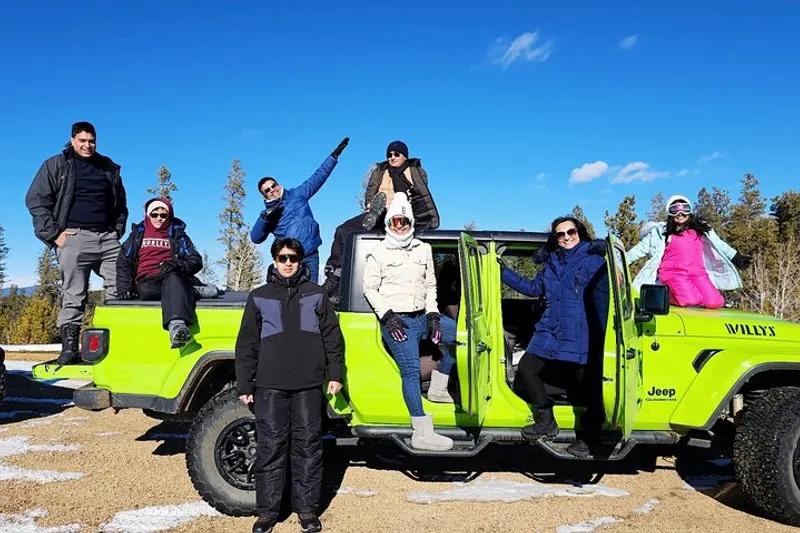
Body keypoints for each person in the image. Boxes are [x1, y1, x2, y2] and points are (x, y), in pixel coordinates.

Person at [235, 238, 343, 533]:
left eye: (292, 258)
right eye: (282, 257)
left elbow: (332, 337)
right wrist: (245, 384)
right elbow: (247, 343)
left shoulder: (317, 294)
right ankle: (268, 513)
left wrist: (335, 374)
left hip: (308, 385)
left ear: (300, 261)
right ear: (274, 260)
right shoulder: (259, 296)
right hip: (270, 385)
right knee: (270, 447)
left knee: (308, 447)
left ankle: (307, 510)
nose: (287, 263)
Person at [498, 215, 608, 457]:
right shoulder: (552, 263)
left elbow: (603, 297)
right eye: (561, 234)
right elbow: (532, 288)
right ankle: (546, 420)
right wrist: (502, 272)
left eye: (571, 232)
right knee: (526, 369)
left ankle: (592, 439)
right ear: (555, 238)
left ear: (579, 233)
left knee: (588, 386)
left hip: (580, 331)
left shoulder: (594, 261)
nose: (567, 237)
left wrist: (602, 333)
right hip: (549, 329)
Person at [25, 121, 128, 365]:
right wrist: (54, 234)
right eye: (82, 140)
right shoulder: (57, 165)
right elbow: (36, 200)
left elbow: (120, 204)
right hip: (74, 237)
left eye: (91, 141)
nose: (87, 145)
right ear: (73, 140)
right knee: (74, 294)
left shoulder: (107, 167)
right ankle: (70, 350)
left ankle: (112, 346)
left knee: (120, 290)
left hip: (107, 238)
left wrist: (117, 231)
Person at [363, 193, 456, 451]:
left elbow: (430, 285)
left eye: (404, 221)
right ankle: (422, 433)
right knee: (411, 371)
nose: (400, 226)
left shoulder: (423, 249)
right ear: (389, 223)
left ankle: (439, 387)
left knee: (463, 338)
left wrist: (434, 314)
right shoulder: (378, 252)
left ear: (411, 222)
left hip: (423, 316)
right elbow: (370, 289)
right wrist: (387, 316)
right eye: (395, 221)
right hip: (397, 322)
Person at [322, 140, 440, 304]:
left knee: (394, 207)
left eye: (396, 154)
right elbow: (371, 190)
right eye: (389, 154)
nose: (392, 157)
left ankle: (380, 214)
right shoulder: (380, 171)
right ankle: (334, 278)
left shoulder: (414, 171)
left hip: (402, 213)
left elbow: (422, 195)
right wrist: (369, 204)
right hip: (377, 211)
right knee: (343, 230)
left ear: (405, 156)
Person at [250, 137, 350, 282]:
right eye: (267, 190)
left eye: (273, 185)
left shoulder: (298, 194)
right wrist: (265, 217)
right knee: (290, 292)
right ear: (264, 195)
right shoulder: (268, 215)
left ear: (278, 184)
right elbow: (255, 238)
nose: (272, 190)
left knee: (311, 292)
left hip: (310, 255)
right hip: (290, 259)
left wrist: (334, 156)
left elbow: (318, 177)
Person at [626, 195, 751, 308]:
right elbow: (639, 250)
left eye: (684, 209)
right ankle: (664, 296)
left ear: (690, 211)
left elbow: (719, 244)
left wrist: (736, 257)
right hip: (673, 274)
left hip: (698, 273)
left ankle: (684, 296)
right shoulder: (662, 233)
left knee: (715, 302)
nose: (680, 213)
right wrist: (621, 262)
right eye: (675, 210)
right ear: (669, 213)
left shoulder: (700, 230)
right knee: (690, 300)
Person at [116, 198, 202, 348]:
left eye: (163, 215)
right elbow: (124, 261)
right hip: (147, 280)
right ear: (147, 215)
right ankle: (191, 290)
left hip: (173, 275)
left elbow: (195, 260)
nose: (159, 218)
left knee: (173, 279)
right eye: (154, 214)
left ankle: (177, 326)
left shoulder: (178, 235)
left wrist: (178, 264)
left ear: (169, 215)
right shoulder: (137, 235)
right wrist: (124, 288)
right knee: (145, 290)